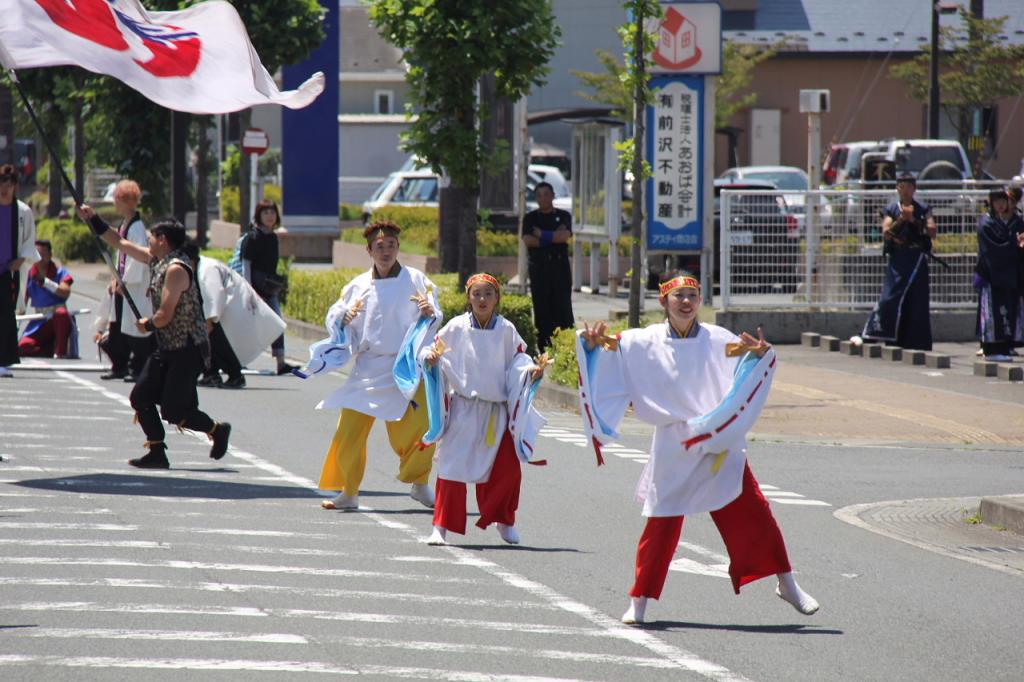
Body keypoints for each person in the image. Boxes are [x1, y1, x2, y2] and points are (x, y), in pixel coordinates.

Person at [577, 273, 819, 625]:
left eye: (692, 295)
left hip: (716, 435)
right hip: (674, 441)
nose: (686, 302)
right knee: (661, 523)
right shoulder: (642, 341)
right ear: (664, 301)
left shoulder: (720, 339)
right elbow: (608, 348)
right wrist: (590, 343)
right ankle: (639, 599)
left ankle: (787, 583)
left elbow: (748, 361)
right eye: (679, 296)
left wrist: (761, 354)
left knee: (754, 510)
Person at [78, 204, 231, 469]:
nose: (148, 240)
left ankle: (217, 430)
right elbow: (121, 243)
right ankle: (157, 452)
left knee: (174, 411)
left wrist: (148, 324)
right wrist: (93, 219)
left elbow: (166, 312)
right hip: (167, 346)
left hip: (188, 349)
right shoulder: (156, 259)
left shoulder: (176, 269)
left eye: (151, 236)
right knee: (141, 396)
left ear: (162, 240)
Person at [314, 220, 441, 511]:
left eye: (392, 246)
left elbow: (435, 314)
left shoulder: (416, 279)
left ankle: (420, 483)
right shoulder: (358, 286)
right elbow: (338, 317)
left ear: (398, 248)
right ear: (369, 250)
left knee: (424, 426)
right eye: (380, 247)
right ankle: (349, 490)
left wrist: (429, 313)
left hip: (406, 366)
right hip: (368, 368)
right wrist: (342, 320)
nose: (386, 252)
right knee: (348, 432)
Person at [420, 273, 548, 546]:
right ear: (468, 297)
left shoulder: (506, 330)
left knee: (507, 470)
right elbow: (433, 351)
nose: (482, 299)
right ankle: (440, 526)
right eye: (476, 294)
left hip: (495, 413)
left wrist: (531, 373)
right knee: (451, 468)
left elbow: (518, 361)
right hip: (463, 409)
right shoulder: (455, 327)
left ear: (497, 299)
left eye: (488, 294)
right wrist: (430, 359)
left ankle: (504, 521)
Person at [181, 240, 287, 388]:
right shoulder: (200, 266)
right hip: (229, 309)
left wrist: (210, 321)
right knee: (211, 342)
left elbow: (215, 295)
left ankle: (235, 376)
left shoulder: (206, 270)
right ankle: (211, 374)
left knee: (219, 344)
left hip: (231, 310)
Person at [861, 174, 937, 351]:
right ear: (897, 188)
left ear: (914, 189)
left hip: (917, 259)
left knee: (917, 300)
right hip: (899, 260)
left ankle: (916, 342)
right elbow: (886, 230)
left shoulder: (923, 208)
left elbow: (932, 230)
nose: (906, 190)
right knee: (890, 298)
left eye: (910, 186)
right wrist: (902, 219)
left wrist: (914, 221)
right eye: (902, 186)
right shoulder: (892, 209)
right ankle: (879, 334)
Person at [100, 179, 154, 382]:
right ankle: (120, 365)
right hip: (123, 282)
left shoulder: (136, 227)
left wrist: (125, 281)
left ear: (123, 200)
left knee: (133, 327)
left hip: (132, 285)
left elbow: (136, 256)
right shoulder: (126, 224)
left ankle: (136, 367)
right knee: (117, 326)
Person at [241, 199, 295, 375]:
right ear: (259, 215)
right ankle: (238, 360)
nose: (270, 216)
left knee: (277, 323)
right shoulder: (252, 237)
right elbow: (246, 265)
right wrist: (249, 290)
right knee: (247, 326)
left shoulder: (273, 237)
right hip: (254, 287)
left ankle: (281, 363)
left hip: (269, 287)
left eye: (272, 212)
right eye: (265, 213)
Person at [522, 181, 574, 352]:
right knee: (542, 306)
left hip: (560, 268)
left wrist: (541, 235)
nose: (543, 198)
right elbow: (529, 241)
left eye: (546, 194)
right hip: (539, 269)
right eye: (539, 195)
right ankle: (544, 346)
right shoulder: (530, 218)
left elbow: (564, 236)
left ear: (553, 196)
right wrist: (552, 236)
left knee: (563, 305)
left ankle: (566, 346)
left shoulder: (564, 215)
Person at [974, 189, 1024, 362]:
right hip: (991, 277)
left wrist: (1017, 244)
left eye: (1003, 201)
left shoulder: (1001, 222)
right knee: (992, 314)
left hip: (1005, 277)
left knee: (1005, 313)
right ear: (991, 203)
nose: (1001, 204)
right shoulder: (986, 223)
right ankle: (991, 349)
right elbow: (995, 249)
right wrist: (1015, 244)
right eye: (997, 201)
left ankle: (1003, 347)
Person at [0, 164, 38, 378]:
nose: (5, 189)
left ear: (15, 186)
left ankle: (3, 360)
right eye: (2, 183)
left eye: (9, 184)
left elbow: (29, 241)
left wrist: (21, 258)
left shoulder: (23, 211)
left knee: (6, 314)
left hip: (9, 270)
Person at [18, 240, 78, 358]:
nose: (39, 258)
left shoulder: (60, 272)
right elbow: (22, 305)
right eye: (37, 254)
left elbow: (65, 292)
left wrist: (45, 282)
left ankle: (61, 352)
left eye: (43, 254)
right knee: (22, 348)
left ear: (50, 255)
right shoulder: (30, 275)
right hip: (40, 321)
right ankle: (48, 349)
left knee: (61, 314)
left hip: (59, 319)